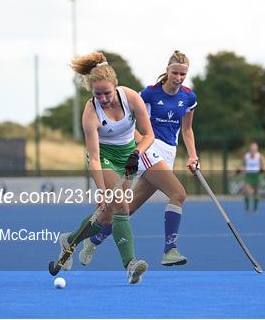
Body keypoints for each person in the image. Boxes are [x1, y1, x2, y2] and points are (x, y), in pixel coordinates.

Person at [79, 50, 199, 267]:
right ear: (167, 71)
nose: (178, 78)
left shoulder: (188, 97)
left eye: (183, 74)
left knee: (126, 209)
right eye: (175, 73)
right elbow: (130, 121)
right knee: (178, 193)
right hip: (147, 149)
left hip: (168, 151)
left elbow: (187, 130)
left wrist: (192, 155)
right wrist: (136, 149)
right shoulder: (149, 94)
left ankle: (93, 240)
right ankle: (169, 250)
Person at [56, 52, 155, 284]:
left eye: (106, 93)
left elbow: (149, 135)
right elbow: (94, 158)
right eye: (97, 94)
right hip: (105, 159)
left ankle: (69, 241)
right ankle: (130, 264)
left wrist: (136, 153)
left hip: (128, 157)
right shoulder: (90, 113)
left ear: (116, 86)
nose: (103, 98)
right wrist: (102, 190)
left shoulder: (131, 98)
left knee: (108, 217)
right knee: (120, 204)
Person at [236, 142, 265, 212]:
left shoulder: (259, 156)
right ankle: (247, 208)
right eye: (252, 149)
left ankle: (255, 208)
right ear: (250, 149)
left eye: (254, 149)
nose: (253, 150)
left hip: (256, 175)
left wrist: (264, 168)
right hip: (248, 175)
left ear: (257, 149)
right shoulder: (246, 156)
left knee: (256, 192)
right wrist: (241, 168)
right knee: (247, 190)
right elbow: (242, 165)